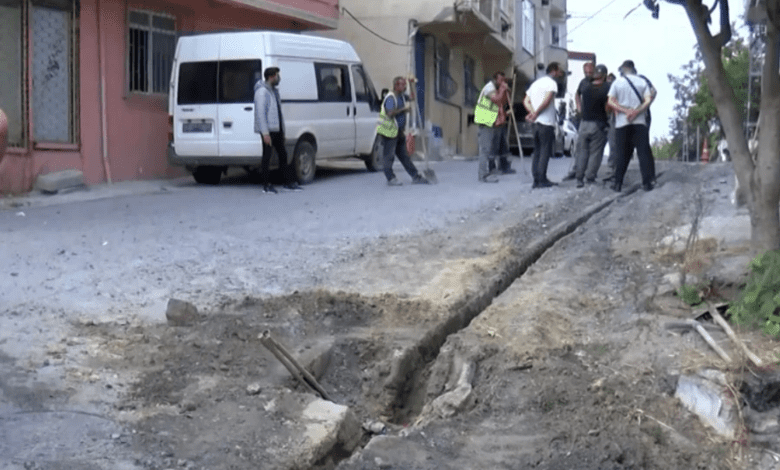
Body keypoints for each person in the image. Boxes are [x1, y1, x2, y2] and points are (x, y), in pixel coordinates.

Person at [607, 60, 657, 192]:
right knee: (643, 152)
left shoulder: (618, 82)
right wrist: (637, 111)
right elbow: (649, 99)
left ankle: (617, 183)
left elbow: (611, 101)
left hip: (622, 123)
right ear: (633, 69)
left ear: (623, 69)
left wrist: (625, 111)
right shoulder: (642, 82)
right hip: (639, 122)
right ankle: (647, 183)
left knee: (621, 154)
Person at [254, 67, 302, 193]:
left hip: (277, 129)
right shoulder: (262, 92)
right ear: (271, 77)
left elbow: (278, 113)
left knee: (283, 155)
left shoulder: (274, 91)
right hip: (268, 130)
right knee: (267, 157)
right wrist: (265, 133)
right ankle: (266, 185)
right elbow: (260, 113)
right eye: (277, 75)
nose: (279, 78)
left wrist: (283, 130)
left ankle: (288, 182)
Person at [376, 76, 429, 186]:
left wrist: (412, 86)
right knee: (389, 156)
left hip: (398, 131)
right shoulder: (391, 98)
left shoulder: (401, 96)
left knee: (404, 156)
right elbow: (390, 113)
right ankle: (390, 178)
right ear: (396, 86)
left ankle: (415, 176)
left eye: (405, 84)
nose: (404, 86)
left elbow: (411, 98)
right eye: (402, 84)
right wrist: (404, 110)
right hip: (389, 131)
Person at [523, 62, 564, 188]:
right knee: (545, 151)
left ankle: (536, 178)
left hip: (535, 124)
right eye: (560, 71)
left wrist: (532, 112)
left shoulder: (535, 83)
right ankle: (542, 179)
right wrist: (536, 113)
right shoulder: (551, 83)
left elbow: (526, 100)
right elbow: (547, 99)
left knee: (537, 151)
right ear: (554, 70)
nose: (561, 74)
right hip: (546, 123)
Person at [573, 64, 611, 188]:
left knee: (582, 152)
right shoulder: (607, 88)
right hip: (598, 124)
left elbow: (577, 95)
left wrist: (579, 108)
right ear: (604, 76)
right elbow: (608, 107)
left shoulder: (586, 87)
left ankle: (579, 178)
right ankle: (590, 177)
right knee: (595, 152)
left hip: (584, 124)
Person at [474, 71, 511, 182]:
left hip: (490, 122)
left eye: (503, 80)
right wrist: (503, 90)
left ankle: (486, 172)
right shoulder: (489, 88)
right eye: (500, 80)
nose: (502, 82)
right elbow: (496, 100)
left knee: (488, 149)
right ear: (495, 79)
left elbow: (502, 102)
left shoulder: (496, 89)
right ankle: (483, 175)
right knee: (484, 150)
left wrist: (506, 92)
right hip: (484, 121)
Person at [563, 61, 595, 182]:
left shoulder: (599, 82)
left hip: (597, 120)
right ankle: (577, 171)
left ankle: (588, 173)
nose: (587, 74)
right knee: (581, 147)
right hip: (584, 119)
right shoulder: (583, 82)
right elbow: (577, 94)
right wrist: (579, 106)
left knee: (592, 148)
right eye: (585, 72)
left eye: (590, 72)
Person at [602, 73, 619, 182]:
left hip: (612, 119)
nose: (609, 82)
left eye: (611, 80)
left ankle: (612, 169)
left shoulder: (616, 92)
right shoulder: (602, 90)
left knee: (613, 145)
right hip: (602, 119)